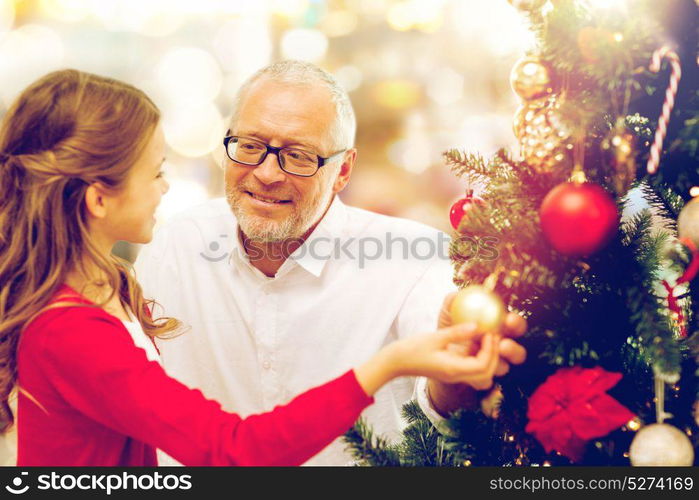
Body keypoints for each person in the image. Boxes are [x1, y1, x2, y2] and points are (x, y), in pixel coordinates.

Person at [3, 69, 511, 466]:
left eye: (297, 156)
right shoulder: (167, 249)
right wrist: (386, 364)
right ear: (98, 198)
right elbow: (231, 451)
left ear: (343, 171)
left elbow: (446, 402)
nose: (266, 173)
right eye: (248, 146)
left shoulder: (414, 257)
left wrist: (454, 359)